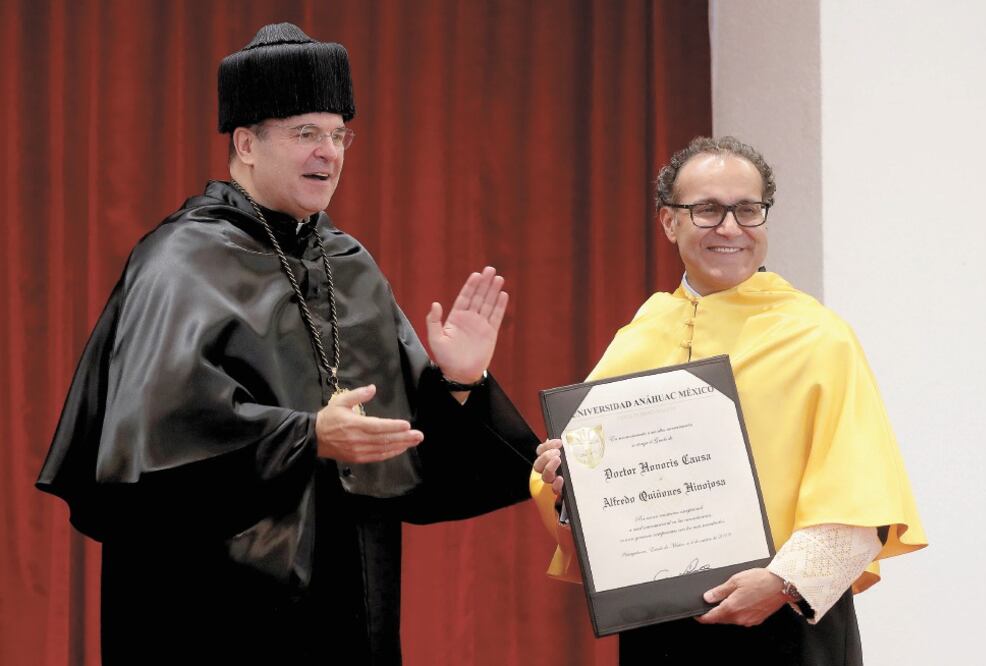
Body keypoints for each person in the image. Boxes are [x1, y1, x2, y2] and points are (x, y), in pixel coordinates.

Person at [37, 23, 537, 665]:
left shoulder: (348, 262)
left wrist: (461, 385)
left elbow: (418, 461)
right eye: (306, 133)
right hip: (216, 612)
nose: (328, 153)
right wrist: (307, 438)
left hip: (355, 604)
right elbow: (150, 453)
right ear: (246, 143)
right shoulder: (179, 263)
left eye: (338, 135)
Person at [531, 136, 926, 664]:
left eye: (747, 209)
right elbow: (596, 490)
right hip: (661, 626)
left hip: (786, 627)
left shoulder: (816, 336)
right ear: (669, 222)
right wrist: (566, 485)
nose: (730, 228)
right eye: (707, 210)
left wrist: (784, 583)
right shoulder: (638, 337)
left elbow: (862, 498)